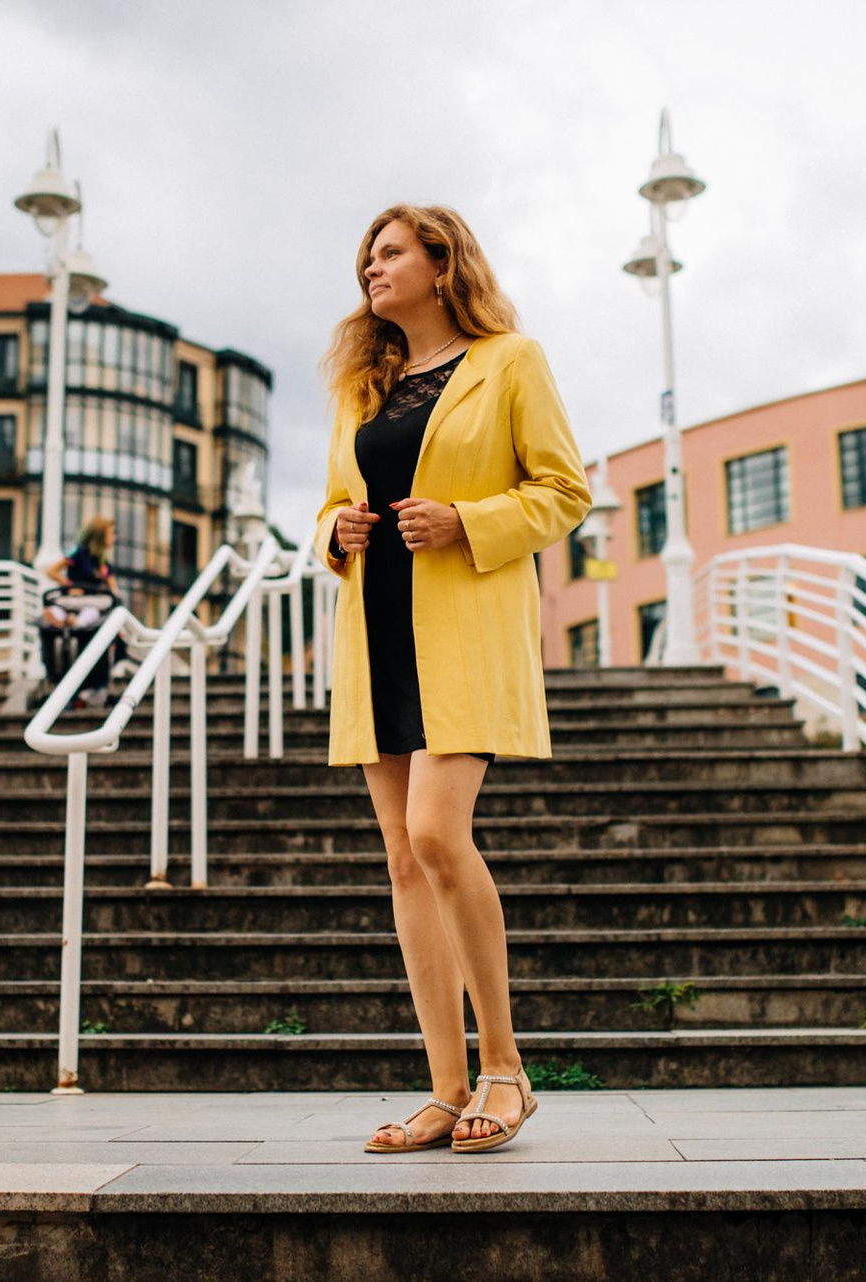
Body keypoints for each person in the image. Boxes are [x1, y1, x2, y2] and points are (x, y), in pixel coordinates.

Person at [314, 204, 591, 1154]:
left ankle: (505, 1069)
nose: (371, 268)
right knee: (403, 858)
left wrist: (467, 521)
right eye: (367, 256)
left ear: (442, 264)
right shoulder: (362, 388)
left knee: (437, 832)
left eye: (390, 252)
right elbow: (330, 504)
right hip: (377, 632)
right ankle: (444, 1088)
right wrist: (337, 532)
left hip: (463, 630)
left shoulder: (510, 361)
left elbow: (563, 490)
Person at [42, 514, 120, 705]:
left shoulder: (104, 564)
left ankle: (71, 622)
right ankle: (64, 620)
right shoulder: (78, 554)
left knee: (90, 614)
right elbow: (52, 570)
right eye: (111, 533)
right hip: (72, 601)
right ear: (100, 535)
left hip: (91, 607)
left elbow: (114, 591)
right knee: (61, 611)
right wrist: (69, 584)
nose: (114, 538)